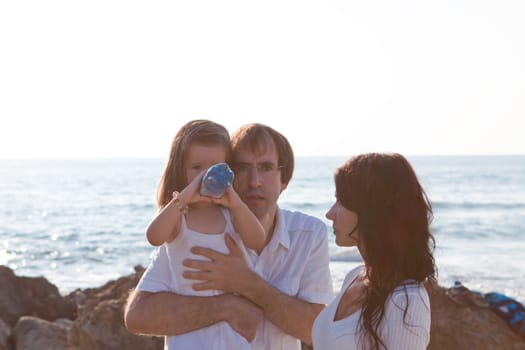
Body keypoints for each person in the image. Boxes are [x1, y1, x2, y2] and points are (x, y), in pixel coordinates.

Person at [124, 123, 334, 350]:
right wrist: (225, 306)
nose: (254, 181)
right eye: (242, 168)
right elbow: (138, 316)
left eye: (266, 167)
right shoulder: (195, 228)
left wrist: (246, 283)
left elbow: (314, 331)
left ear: (284, 179)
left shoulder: (309, 234)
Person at [142, 119, 267, 349]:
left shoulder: (232, 215)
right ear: (180, 170)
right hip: (190, 336)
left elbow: (257, 241)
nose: (204, 176)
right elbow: (154, 236)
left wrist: (237, 204)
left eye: (214, 168)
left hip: (232, 337)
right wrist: (183, 198)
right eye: (196, 168)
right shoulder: (180, 214)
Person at [312, 153, 436, 350]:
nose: (330, 214)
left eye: (341, 201)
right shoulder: (354, 277)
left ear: (370, 209)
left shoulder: (406, 301)